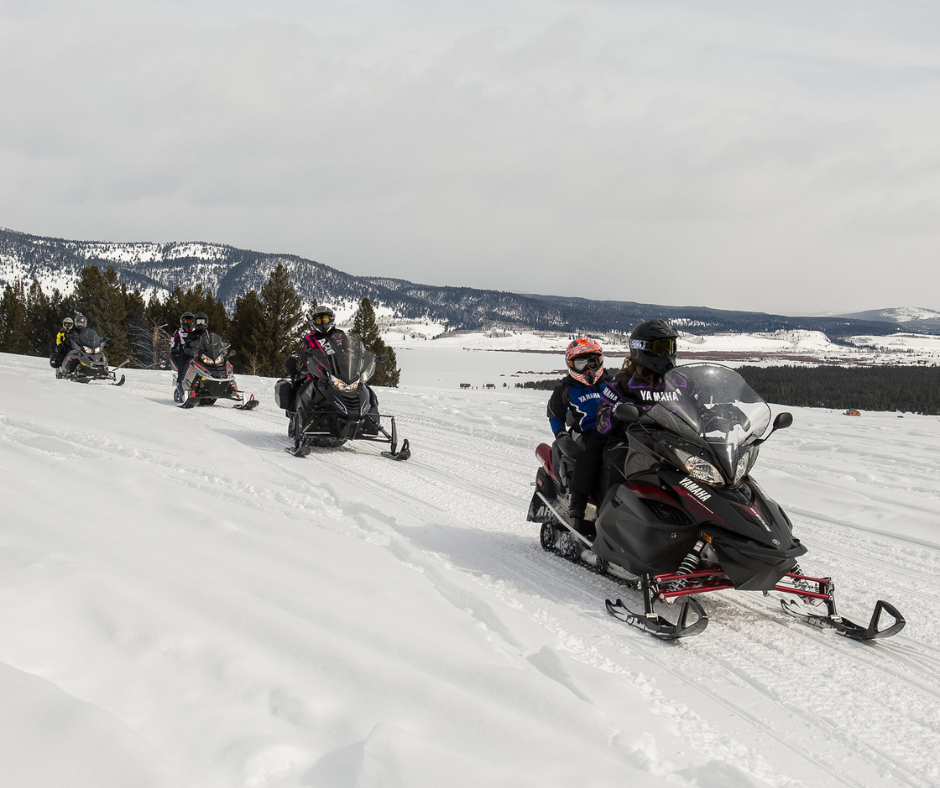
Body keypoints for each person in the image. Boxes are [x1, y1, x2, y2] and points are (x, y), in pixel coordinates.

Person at [547, 337, 611, 537]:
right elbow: (554, 414)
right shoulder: (566, 389)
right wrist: (561, 434)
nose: (588, 369)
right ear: (571, 365)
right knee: (590, 455)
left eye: (592, 361)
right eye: (581, 363)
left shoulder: (610, 384)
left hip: (615, 429)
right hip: (587, 433)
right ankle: (578, 504)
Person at [595, 319, 680, 439]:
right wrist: (618, 411)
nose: (667, 354)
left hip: (675, 441)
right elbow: (601, 425)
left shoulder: (679, 381)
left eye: (670, 347)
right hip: (633, 444)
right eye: (660, 348)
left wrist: (710, 415)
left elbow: (696, 407)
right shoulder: (623, 382)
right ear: (641, 349)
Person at [170, 311, 207, 398]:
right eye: (186, 321)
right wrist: (174, 349)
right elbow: (173, 342)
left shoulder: (196, 331)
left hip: (198, 354)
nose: (188, 323)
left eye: (190, 321)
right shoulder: (178, 332)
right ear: (182, 322)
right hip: (185, 353)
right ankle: (180, 383)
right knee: (184, 363)